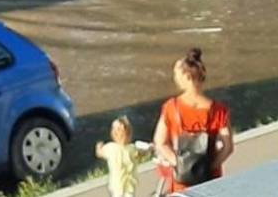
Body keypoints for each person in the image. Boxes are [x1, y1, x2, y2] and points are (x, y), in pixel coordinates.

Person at [153, 48, 234, 195]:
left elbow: (160, 143)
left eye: (176, 74)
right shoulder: (219, 110)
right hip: (210, 180)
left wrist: (179, 164)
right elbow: (228, 147)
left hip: (182, 182)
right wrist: (210, 167)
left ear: (187, 76)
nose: (175, 78)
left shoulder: (171, 107)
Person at [96, 116, 150, 197]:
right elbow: (140, 154)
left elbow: (99, 153)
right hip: (129, 185)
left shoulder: (110, 148)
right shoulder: (132, 149)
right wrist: (149, 148)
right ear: (129, 135)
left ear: (113, 134)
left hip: (116, 185)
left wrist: (99, 147)